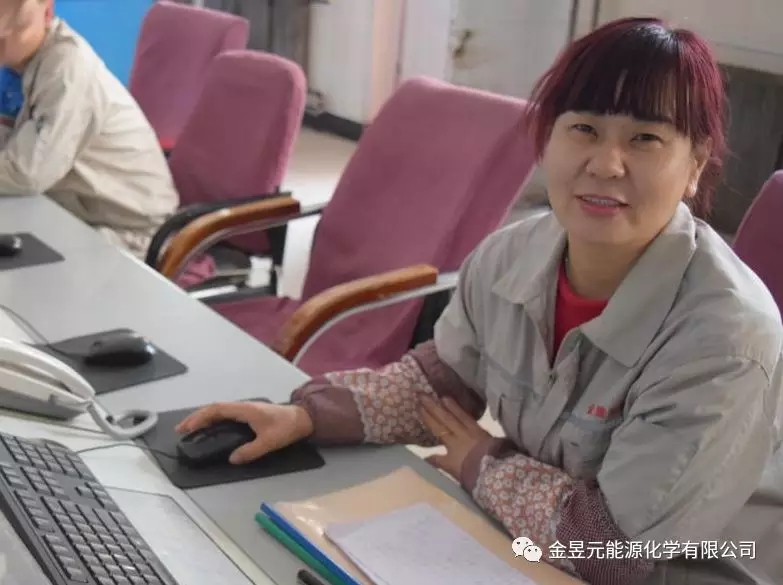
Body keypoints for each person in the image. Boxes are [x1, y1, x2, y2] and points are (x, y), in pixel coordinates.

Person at [175, 17, 783, 585]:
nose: (606, 163)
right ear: (547, 139)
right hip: (531, 551)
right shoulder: (511, 255)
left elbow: (614, 549)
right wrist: (305, 416)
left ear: (695, 165)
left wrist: (483, 465)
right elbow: (441, 383)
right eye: (584, 129)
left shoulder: (724, 337)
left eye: (645, 138)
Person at [0, 0, 179, 259]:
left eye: (11, 31)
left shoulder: (67, 71)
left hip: (126, 232)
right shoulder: (16, 61)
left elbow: (25, 173)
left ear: (47, 12)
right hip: (61, 207)